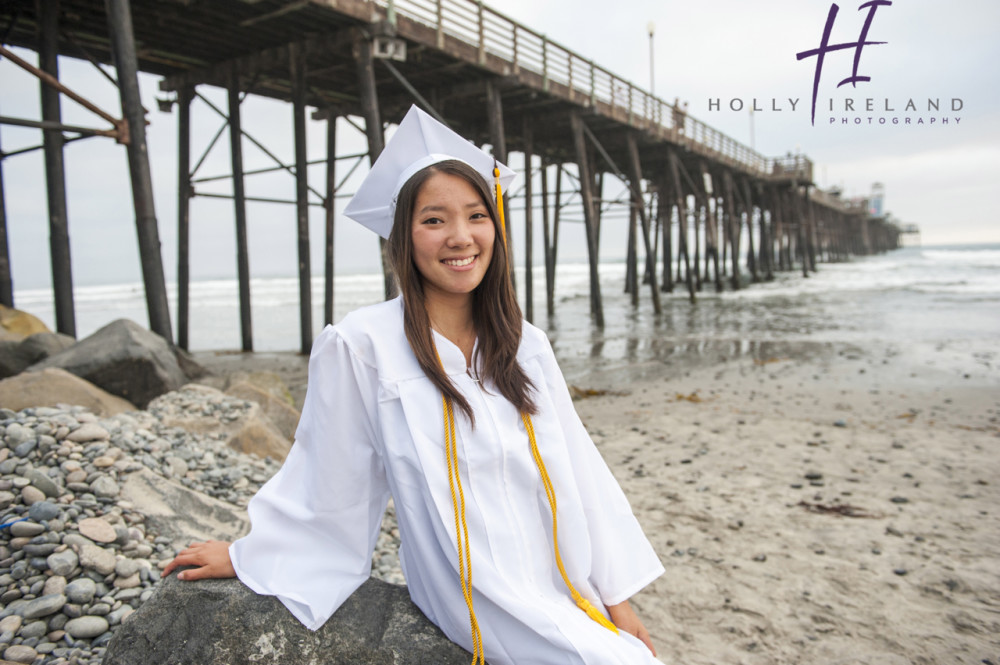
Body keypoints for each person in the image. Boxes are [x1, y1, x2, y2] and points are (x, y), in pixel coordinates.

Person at [163, 105, 665, 665]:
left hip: (563, 578)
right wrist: (253, 554)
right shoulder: (363, 345)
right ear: (402, 234)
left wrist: (617, 602)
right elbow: (330, 476)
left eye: (477, 215)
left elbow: (581, 473)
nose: (460, 237)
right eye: (433, 220)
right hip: (476, 590)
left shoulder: (526, 344)